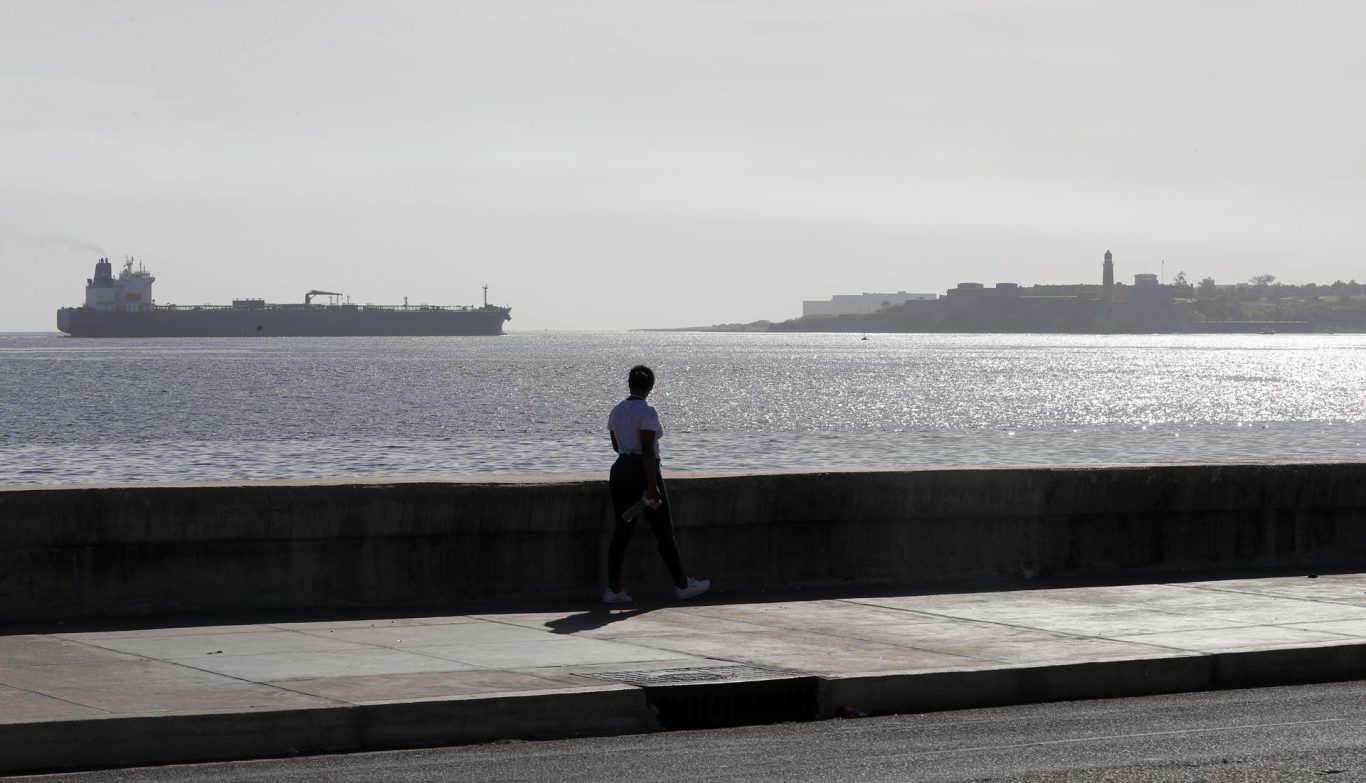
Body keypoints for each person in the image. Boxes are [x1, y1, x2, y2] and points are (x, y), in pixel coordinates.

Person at [603, 365, 709, 604]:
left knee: (621, 532)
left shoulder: (616, 410)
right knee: (663, 532)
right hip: (644, 473)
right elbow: (648, 449)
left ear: (629, 384)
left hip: (620, 471)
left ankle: (613, 590)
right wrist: (652, 487)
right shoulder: (648, 411)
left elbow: (616, 446)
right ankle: (682, 585)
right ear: (650, 387)